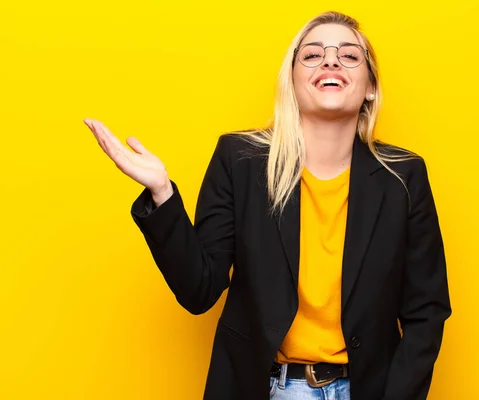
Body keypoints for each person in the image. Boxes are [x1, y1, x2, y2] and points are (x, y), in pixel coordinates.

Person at [84, 10, 451, 400]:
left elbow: (426, 311)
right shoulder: (238, 161)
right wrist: (162, 194)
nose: (330, 60)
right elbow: (200, 290)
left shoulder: (404, 176)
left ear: (370, 86)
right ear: (291, 81)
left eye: (348, 55)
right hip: (268, 389)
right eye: (311, 55)